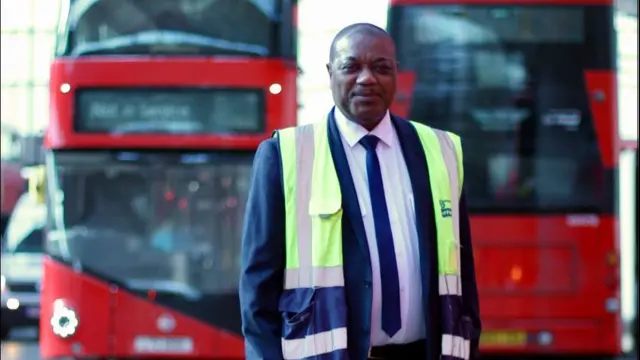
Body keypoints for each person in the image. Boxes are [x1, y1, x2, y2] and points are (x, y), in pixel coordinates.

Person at [239, 23, 481, 360]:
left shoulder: (440, 151)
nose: (367, 78)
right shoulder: (284, 156)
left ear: (396, 73)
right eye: (351, 66)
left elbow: (463, 280)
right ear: (330, 73)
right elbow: (257, 289)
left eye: (381, 68)